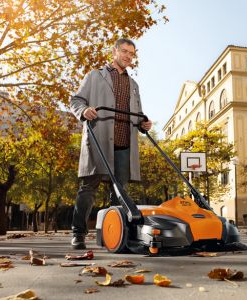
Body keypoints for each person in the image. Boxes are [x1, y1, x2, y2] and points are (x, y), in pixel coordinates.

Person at [69, 38, 152, 250]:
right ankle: (78, 234)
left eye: (131, 54)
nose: (127, 56)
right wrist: (84, 111)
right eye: (124, 51)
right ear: (114, 51)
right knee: (89, 188)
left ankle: (113, 235)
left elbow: (137, 114)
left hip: (124, 143)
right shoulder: (95, 76)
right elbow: (76, 101)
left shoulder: (134, 85)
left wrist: (144, 123)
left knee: (119, 192)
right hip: (100, 138)